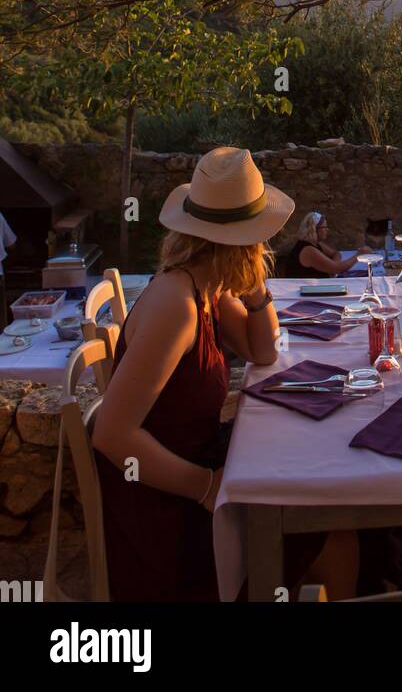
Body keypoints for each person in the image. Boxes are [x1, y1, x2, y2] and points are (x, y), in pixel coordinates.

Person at [92, 146, 358, 602]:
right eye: (259, 238)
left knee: (320, 475)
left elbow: (263, 350)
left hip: (197, 470)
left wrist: (256, 292)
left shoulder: (207, 286)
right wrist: (208, 488)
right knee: (331, 523)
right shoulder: (176, 304)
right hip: (169, 510)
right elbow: (112, 436)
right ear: (248, 239)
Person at [275, 211, 360, 278]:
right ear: (315, 230)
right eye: (324, 228)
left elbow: (335, 253)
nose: (327, 230)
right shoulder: (308, 250)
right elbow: (338, 269)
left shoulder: (316, 244)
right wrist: (359, 255)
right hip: (304, 291)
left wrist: (332, 267)